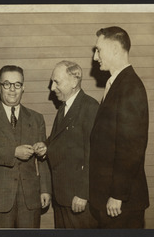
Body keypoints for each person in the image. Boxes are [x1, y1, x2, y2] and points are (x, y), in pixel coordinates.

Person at [0, 65, 52, 228]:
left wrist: (45, 188)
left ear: (23, 88)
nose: (12, 89)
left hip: (30, 199)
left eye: (17, 85)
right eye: (7, 84)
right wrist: (14, 152)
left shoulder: (37, 118)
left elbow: (42, 160)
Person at [89, 26, 149, 228]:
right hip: (110, 198)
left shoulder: (130, 86)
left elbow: (131, 148)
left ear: (115, 49)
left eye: (98, 50)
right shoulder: (117, 83)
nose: (95, 57)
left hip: (121, 202)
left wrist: (117, 194)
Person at [34, 60, 99, 228]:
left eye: (57, 82)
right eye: (52, 82)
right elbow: (61, 140)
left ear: (74, 82)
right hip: (62, 196)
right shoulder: (64, 108)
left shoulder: (90, 107)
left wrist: (83, 194)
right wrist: (46, 146)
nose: (52, 88)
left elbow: (93, 154)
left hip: (78, 198)